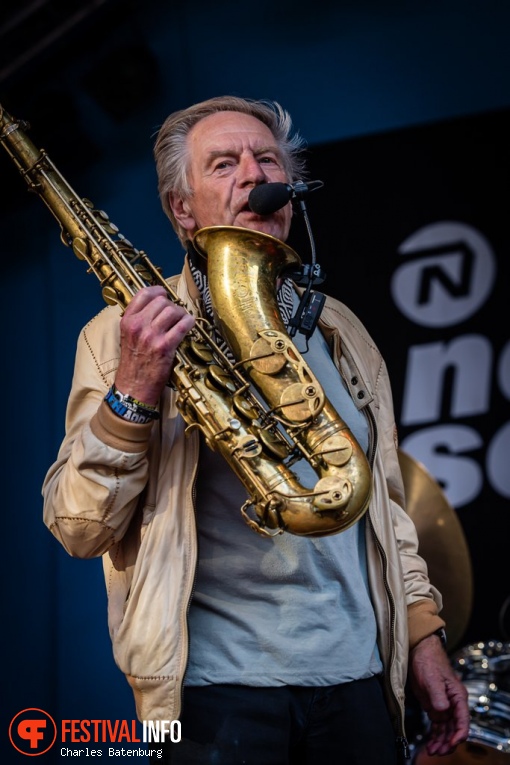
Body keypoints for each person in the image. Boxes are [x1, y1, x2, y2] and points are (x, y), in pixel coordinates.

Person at [42, 96, 469, 764]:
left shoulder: (344, 332)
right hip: (207, 695)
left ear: (291, 191)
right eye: (223, 164)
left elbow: (386, 507)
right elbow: (78, 527)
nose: (252, 172)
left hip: (356, 683)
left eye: (266, 159)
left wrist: (423, 634)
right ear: (182, 209)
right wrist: (134, 392)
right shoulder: (118, 334)